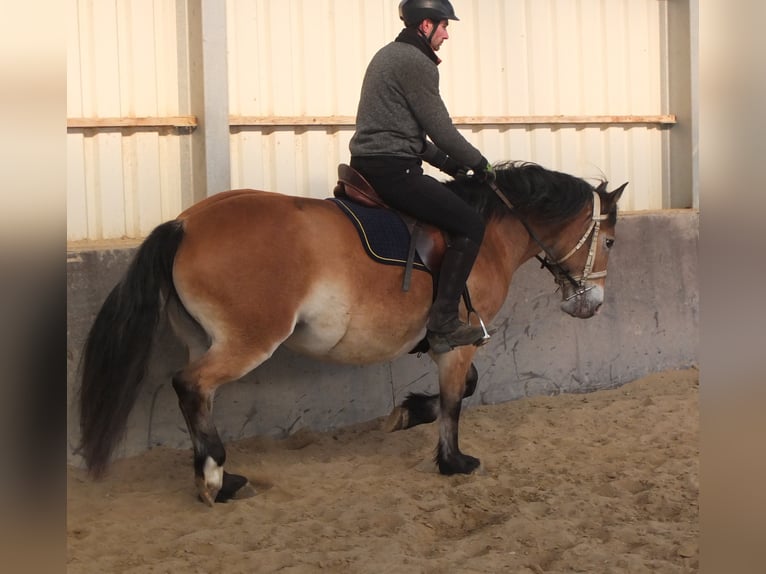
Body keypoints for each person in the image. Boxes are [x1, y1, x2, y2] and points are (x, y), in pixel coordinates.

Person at [349, 0, 495, 353]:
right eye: (444, 26)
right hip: (393, 171)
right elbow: (440, 129)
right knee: (471, 224)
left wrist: (449, 165)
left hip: (371, 163)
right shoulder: (416, 63)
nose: (447, 34)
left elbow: (406, 134)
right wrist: (479, 162)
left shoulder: (389, 55)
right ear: (425, 25)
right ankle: (444, 322)